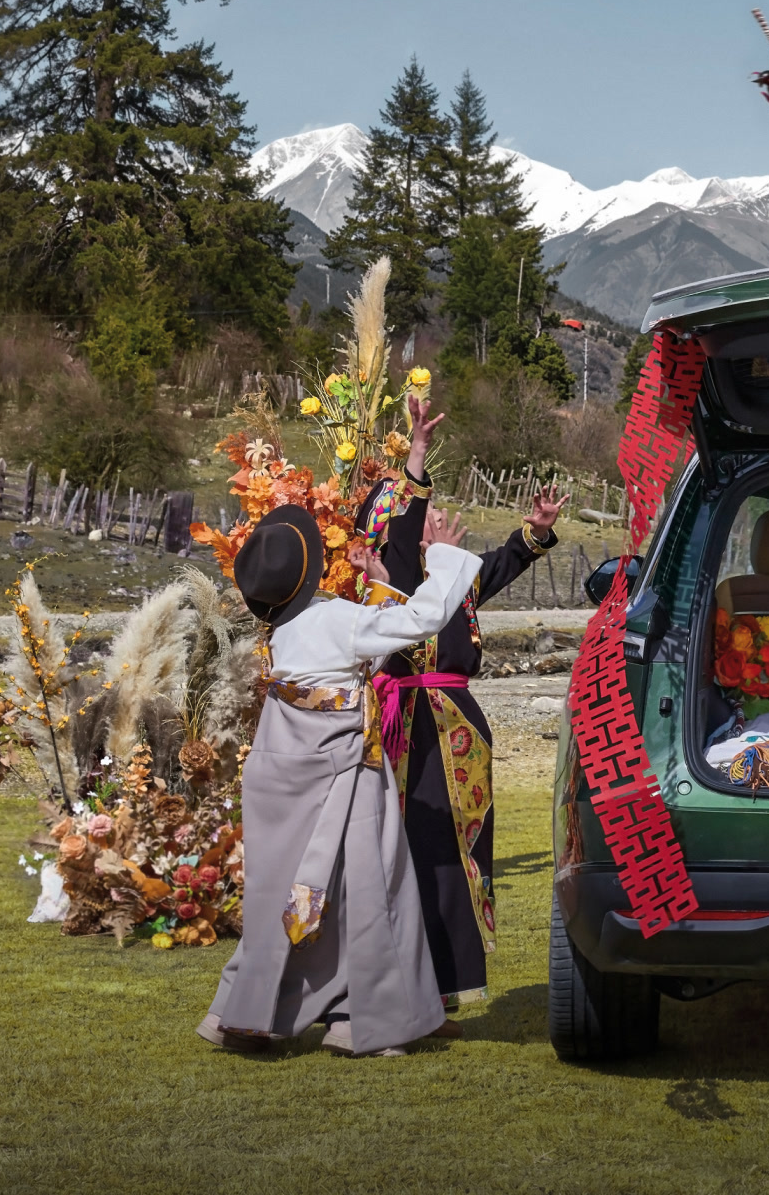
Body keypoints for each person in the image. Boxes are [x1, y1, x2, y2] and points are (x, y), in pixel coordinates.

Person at [198, 501, 478, 1057]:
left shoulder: (284, 631)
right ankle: (368, 1021)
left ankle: (244, 1012)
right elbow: (420, 622)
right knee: (372, 886)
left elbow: (358, 659)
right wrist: (443, 558)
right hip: (346, 770)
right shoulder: (335, 620)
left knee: (281, 893)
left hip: (281, 775)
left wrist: (379, 587)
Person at [356, 395, 565, 1012]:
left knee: (462, 851)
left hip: (460, 728)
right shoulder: (397, 578)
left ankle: (448, 985)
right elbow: (402, 523)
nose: (439, 518)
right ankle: (403, 985)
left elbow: (508, 560)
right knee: (413, 847)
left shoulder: (460, 579)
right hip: (411, 725)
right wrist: (417, 452)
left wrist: (539, 529)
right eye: (427, 513)